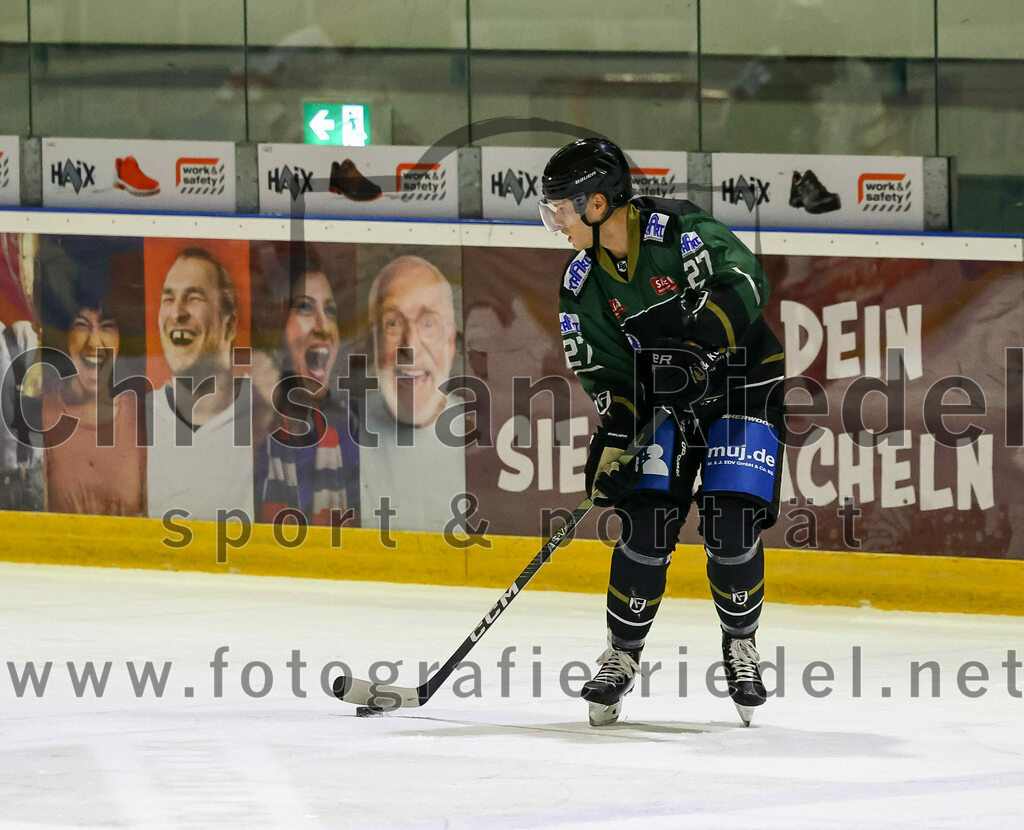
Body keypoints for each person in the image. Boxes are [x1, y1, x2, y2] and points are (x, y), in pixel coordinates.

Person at [540, 138, 786, 727]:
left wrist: (702, 348)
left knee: (730, 519)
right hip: (668, 401)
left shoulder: (678, 232)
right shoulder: (581, 285)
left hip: (741, 383)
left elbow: (746, 281)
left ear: (597, 204)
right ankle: (620, 657)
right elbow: (606, 374)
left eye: (562, 210)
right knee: (646, 516)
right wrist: (616, 441)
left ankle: (741, 644)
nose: (556, 224)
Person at [358, 255, 466, 532]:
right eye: (393, 324)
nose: (410, 346)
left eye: (428, 323)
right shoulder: (340, 436)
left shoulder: (488, 439)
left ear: (450, 342)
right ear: (374, 341)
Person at [252, 253, 359, 525]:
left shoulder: (350, 431)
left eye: (330, 311)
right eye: (305, 308)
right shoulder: (249, 421)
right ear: (277, 326)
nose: (323, 328)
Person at [147, 247, 253, 521]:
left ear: (229, 326)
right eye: (168, 299)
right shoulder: (134, 421)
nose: (177, 313)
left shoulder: (268, 418)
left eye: (193, 298)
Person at [42, 277, 146, 516]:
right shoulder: (42, 418)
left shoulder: (143, 418)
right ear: (65, 336)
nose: (94, 341)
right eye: (81, 325)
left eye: (107, 326)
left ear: (122, 339)